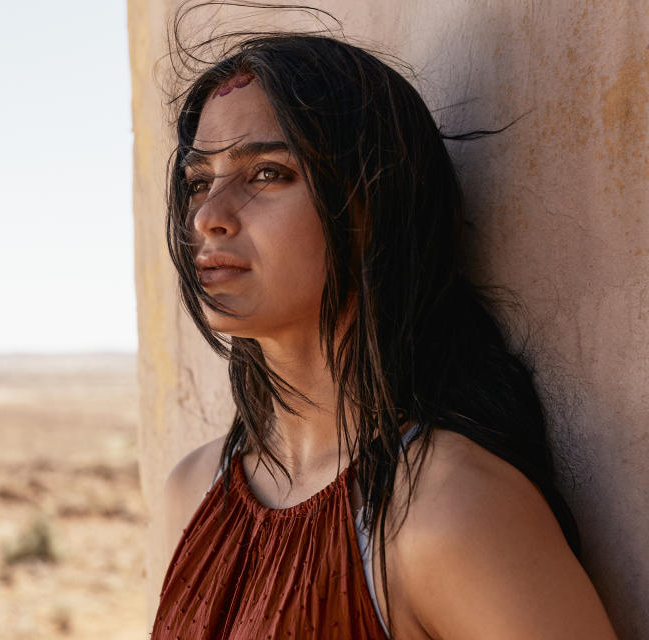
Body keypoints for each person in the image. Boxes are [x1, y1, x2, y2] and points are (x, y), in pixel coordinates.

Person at [149, 16, 619, 640]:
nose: (209, 215)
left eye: (267, 173)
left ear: (370, 205)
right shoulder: (194, 491)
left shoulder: (448, 510)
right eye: (199, 181)